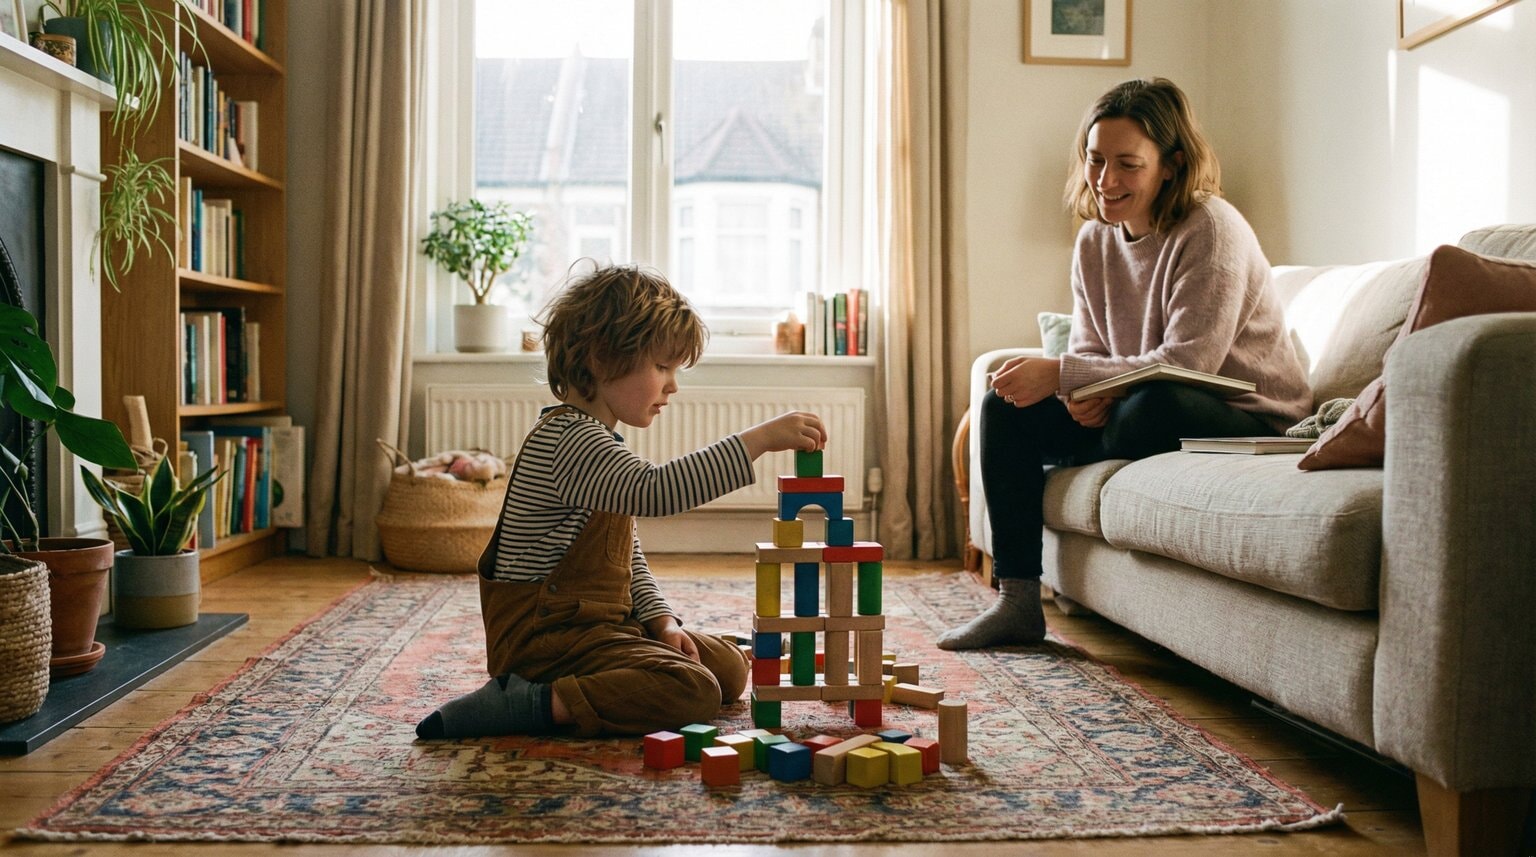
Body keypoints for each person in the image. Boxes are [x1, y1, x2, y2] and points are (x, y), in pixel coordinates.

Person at [938, 78, 1311, 651]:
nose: (1106, 181)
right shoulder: (1094, 241)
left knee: (1149, 404)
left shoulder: (1212, 228)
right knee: (1003, 404)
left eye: (1128, 165)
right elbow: (1091, 349)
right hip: (1138, 402)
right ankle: (1017, 603)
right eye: (1095, 161)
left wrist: (1067, 377)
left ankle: (1089, 435)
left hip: (1240, 412)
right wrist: (1082, 392)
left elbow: (1190, 363)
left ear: (1171, 164)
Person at [417, 263, 826, 738]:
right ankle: (526, 701)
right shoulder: (567, 440)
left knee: (730, 670)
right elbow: (658, 489)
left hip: (600, 629)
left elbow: (627, 558)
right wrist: (756, 440)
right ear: (601, 358)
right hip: (547, 642)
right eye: (662, 367)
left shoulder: (599, 441)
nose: (673, 385)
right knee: (694, 689)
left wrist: (662, 622)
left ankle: (615, 670)